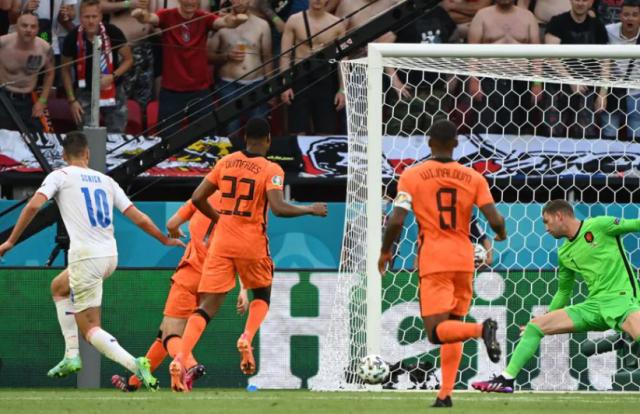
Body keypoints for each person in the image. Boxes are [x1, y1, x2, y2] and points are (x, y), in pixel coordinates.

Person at [0, 131, 185, 389]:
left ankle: (136, 365)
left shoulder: (60, 175)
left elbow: (33, 206)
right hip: (109, 255)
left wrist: (10, 241)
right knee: (59, 287)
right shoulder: (106, 181)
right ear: (87, 154)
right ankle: (70, 355)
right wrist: (163, 240)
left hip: (86, 256)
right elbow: (138, 217)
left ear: (64, 155)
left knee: (90, 329)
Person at [168, 117, 328, 392]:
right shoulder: (271, 168)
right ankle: (247, 336)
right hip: (251, 243)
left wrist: (219, 219)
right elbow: (278, 208)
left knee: (206, 307)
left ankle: (181, 358)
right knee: (262, 294)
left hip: (221, 244)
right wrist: (309, 209)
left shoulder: (225, 162)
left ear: (244, 139)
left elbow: (197, 198)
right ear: (268, 140)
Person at [378, 119, 507, 408]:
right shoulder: (473, 177)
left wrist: (386, 251)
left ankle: (481, 330)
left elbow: (396, 219)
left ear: (429, 142)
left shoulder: (412, 175)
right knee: (453, 326)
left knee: (436, 332)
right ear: (456, 144)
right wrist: (500, 233)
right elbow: (495, 219)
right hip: (464, 260)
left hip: (434, 260)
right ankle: (445, 394)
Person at [472, 200, 640, 393]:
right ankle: (506, 380)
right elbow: (563, 292)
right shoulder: (564, 253)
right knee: (535, 327)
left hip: (623, 301)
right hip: (594, 307)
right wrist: (545, 317)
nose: (545, 228)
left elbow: (636, 224)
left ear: (559, 216)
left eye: (546, 221)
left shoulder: (600, 225)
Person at [111, 195, 250, 392]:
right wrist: (244, 289)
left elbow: (171, 224)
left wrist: (174, 230)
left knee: (170, 334)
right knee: (163, 335)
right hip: (215, 283)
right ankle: (134, 382)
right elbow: (244, 253)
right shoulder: (243, 208)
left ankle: (191, 365)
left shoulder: (204, 196)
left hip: (190, 275)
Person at [131, 0, 246, 138]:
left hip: (200, 90)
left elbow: (224, 22)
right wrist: (140, 15)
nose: (190, 3)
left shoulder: (204, 17)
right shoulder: (167, 15)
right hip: (171, 90)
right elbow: (149, 18)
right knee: (168, 137)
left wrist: (236, 20)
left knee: (206, 137)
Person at [467, 0, 540, 135]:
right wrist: (473, 80)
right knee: (485, 130)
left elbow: (537, 54)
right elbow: (472, 52)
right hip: (488, 81)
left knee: (515, 134)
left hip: (520, 83)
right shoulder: (482, 15)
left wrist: (537, 83)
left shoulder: (528, 16)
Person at [61, 0, 133, 132]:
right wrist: (72, 100)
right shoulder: (72, 37)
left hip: (113, 88)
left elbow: (128, 60)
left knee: (116, 134)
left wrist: (112, 76)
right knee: (87, 135)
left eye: (94, 16)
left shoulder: (113, 32)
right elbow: (65, 70)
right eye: (86, 17)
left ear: (100, 16)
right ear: (80, 17)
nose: (91, 21)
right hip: (85, 90)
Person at [543, 0, 608, 138]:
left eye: (585, 0)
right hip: (558, 87)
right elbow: (551, 56)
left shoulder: (597, 25)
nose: (580, 3)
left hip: (587, 88)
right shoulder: (557, 22)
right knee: (552, 135)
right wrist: (571, 80)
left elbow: (606, 60)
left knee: (585, 136)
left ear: (591, 2)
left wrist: (603, 92)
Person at [208, 0, 273, 137]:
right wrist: (227, 56)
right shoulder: (221, 24)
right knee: (231, 130)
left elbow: (267, 57)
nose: (239, 2)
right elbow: (208, 56)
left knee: (257, 130)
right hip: (228, 85)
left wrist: (270, 87)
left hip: (256, 83)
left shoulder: (262, 25)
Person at [280, 0, 345, 134]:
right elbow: (285, 55)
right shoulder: (294, 20)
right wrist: (286, 85)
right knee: (297, 131)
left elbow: (342, 59)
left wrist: (342, 89)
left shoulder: (337, 24)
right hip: (300, 78)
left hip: (325, 79)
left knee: (326, 131)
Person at [0, 12, 54, 132]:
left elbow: (50, 73)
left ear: (38, 29)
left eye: (33, 26)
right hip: (4, 98)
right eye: (24, 25)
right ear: (16, 27)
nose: (28, 30)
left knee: (35, 137)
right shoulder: (3, 44)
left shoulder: (45, 48)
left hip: (29, 99)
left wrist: (42, 100)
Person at [100, 0, 155, 110]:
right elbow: (100, 6)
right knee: (119, 98)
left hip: (144, 49)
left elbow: (154, 13)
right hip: (120, 51)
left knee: (143, 97)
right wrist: (128, 4)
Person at [601, 0, 640, 141]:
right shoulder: (608, 31)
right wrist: (602, 93)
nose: (630, 18)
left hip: (637, 92)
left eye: (635, 15)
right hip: (612, 91)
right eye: (626, 14)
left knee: (636, 140)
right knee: (609, 136)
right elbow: (604, 62)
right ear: (620, 16)